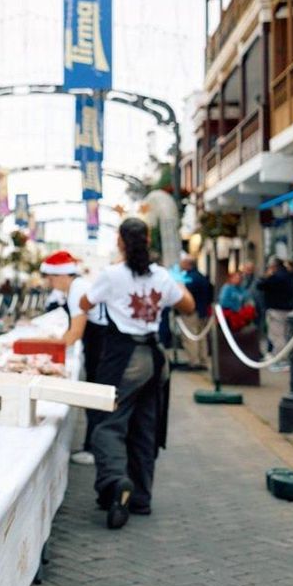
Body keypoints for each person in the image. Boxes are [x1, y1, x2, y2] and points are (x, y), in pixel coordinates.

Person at [81, 218, 194, 529]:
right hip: (154, 358)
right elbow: (188, 306)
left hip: (123, 358)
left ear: (120, 242)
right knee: (145, 428)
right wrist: (175, 282)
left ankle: (116, 482)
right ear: (147, 239)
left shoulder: (112, 275)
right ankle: (141, 498)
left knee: (108, 424)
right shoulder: (161, 276)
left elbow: (84, 302)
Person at [30, 251, 104, 465]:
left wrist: (47, 350)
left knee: (95, 393)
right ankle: (94, 446)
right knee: (95, 391)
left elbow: (75, 333)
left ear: (62, 275)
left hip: (101, 343)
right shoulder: (77, 286)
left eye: (51, 278)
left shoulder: (77, 290)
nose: (49, 282)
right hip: (98, 341)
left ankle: (94, 449)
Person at [177, 255, 213, 372]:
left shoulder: (189, 279)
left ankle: (194, 361)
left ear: (188, 264)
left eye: (182, 263)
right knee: (202, 337)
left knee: (190, 337)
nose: (180, 265)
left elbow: (184, 296)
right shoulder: (202, 277)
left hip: (191, 312)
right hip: (203, 311)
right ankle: (203, 360)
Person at [258, 257, 293, 365]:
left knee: (277, 336)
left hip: (276, 310)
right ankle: (284, 358)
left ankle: (282, 359)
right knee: (287, 335)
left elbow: (260, 285)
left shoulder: (275, 277)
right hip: (289, 309)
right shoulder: (290, 275)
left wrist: (267, 275)